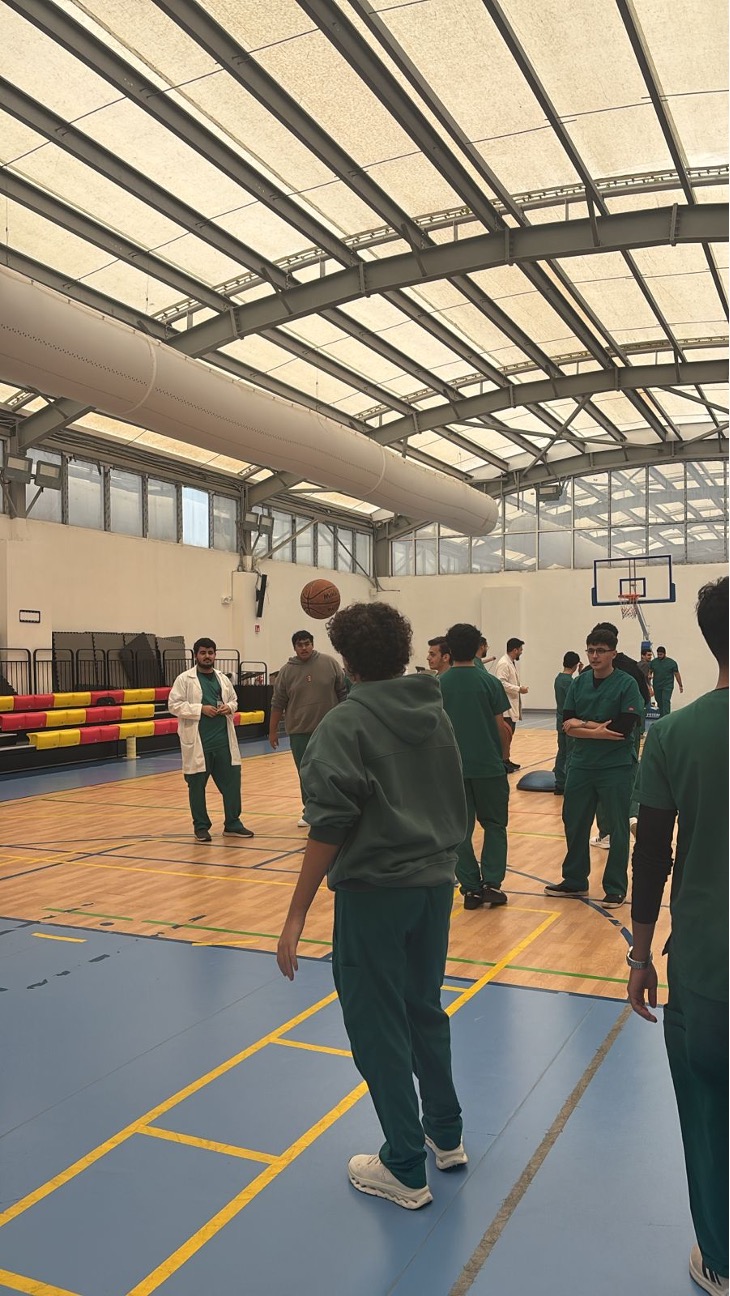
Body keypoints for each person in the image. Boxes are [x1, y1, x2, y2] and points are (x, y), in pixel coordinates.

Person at [277, 602, 468, 1211]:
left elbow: (329, 823)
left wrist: (296, 913)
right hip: (435, 886)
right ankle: (446, 1134)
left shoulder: (344, 724)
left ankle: (404, 1165)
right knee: (423, 1008)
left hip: (375, 894)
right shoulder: (434, 711)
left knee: (377, 1025)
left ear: (347, 660)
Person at [627, 578, 728, 1296]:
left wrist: (639, 953)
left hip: (708, 968)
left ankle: (721, 1259)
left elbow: (652, 855)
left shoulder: (672, 735)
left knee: (710, 1122)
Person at [545, 624, 642, 908]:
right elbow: (567, 724)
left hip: (616, 767)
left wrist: (583, 726)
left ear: (613, 653)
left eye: (601, 651)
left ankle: (615, 886)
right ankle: (574, 880)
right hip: (582, 765)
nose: (595, 656)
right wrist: (596, 729)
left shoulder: (626, 684)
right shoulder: (579, 683)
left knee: (617, 827)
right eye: (590, 650)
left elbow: (622, 729)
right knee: (574, 821)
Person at [440, 623, 511, 909]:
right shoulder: (489, 683)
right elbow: (502, 727)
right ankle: (492, 884)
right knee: (495, 825)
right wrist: (504, 758)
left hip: (452, 770)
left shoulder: (438, 684)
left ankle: (470, 888)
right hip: (489, 767)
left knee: (459, 830)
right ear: (478, 647)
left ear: (449, 649)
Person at [168, 637, 254, 843]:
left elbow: (234, 700)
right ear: (196, 655)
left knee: (232, 784)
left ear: (215, 655)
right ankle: (201, 826)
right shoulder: (184, 679)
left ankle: (233, 824)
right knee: (197, 786)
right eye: (203, 653)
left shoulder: (222, 678)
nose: (207, 656)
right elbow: (174, 705)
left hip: (223, 742)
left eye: (210, 653)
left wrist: (229, 707)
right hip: (199, 743)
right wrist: (200, 709)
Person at [269, 630, 347, 825]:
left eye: (307, 644)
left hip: (329, 729)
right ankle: (310, 810)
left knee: (330, 770)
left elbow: (343, 694)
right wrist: (272, 731)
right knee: (306, 773)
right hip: (299, 731)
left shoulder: (330, 663)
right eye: (300, 645)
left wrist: (346, 722)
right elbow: (277, 703)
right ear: (294, 648)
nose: (304, 648)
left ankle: (335, 808)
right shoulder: (286, 671)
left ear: (312, 644)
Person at [590, 621, 652, 849]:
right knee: (629, 776)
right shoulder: (632, 667)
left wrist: (585, 726)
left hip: (598, 734)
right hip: (629, 730)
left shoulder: (590, 673)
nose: (595, 655)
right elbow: (645, 699)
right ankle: (632, 818)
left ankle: (607, 831)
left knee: (601, 782)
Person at [495, 637, 528, 773]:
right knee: (505, 735)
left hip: (511, 705)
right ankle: (502, 762)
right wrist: (518, 689)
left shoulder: (511, 662)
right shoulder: (504, 663)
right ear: (515, 650)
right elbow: (500, 683)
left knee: (509, 735)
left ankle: (506, 760)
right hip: (506, 708)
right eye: (520, 649)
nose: (521, 652)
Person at [553, 652, 582, 796]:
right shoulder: (571, 682)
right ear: (576, 665)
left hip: (559, 720)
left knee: (562, 752)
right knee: (571, 752)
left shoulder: (558, 679)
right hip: (570, 721)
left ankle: (559, 782)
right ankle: (570, 782)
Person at [651, 646, 684, 717]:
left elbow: (677, 674)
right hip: (657, 685)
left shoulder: (672, 663)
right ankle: (661, 716)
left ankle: (666, 717)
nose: (659, 656)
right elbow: (649, 672)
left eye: (661, 654)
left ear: (665, 654)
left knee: (665, 700)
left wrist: (680, 685)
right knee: (659, 701)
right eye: (658, 654)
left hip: (667, 685)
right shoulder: (654, 662)